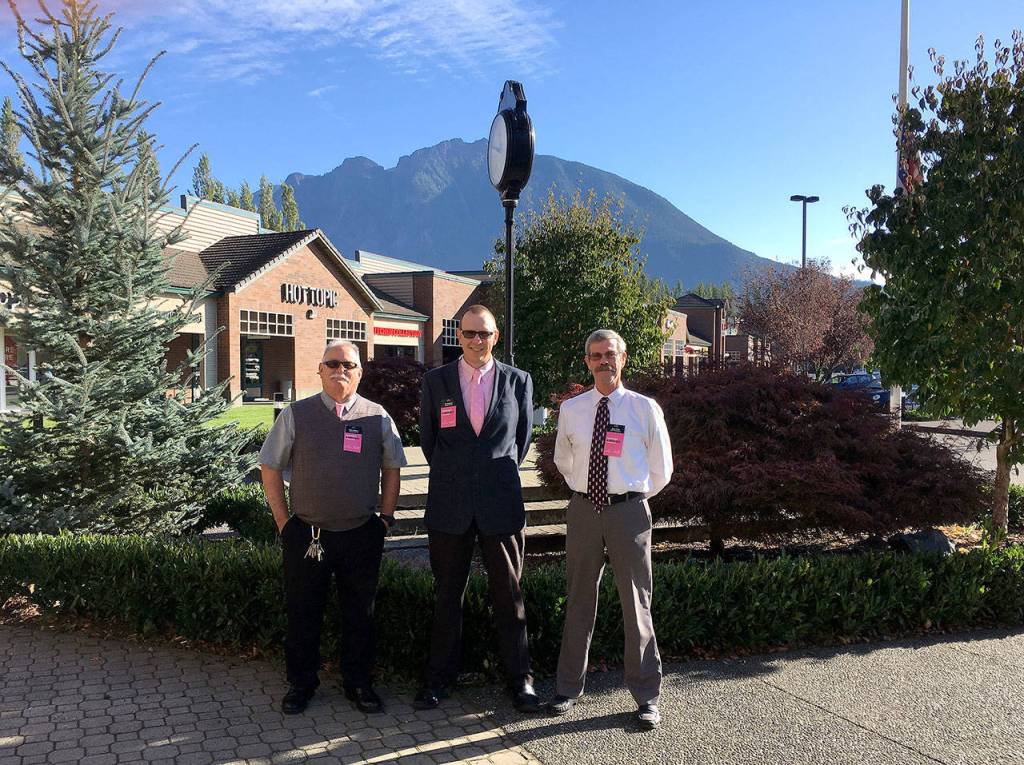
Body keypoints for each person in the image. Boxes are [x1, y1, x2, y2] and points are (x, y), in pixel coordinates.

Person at [259, 339, 407, 715]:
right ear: (320, 370)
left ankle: (358, 683)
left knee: (360, 615)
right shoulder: (296, 414)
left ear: (360, 372)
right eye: (332, 363)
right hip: (308, 536)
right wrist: (283, 523)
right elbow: (269, 467)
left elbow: (393, 467)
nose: (340, 369)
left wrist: (385, 518)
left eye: (349, 364)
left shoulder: (377, 416)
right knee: (303, 614)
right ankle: (301, 684)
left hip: (361, 534)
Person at [414, 304, 539, 713]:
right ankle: (438, 679)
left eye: (484, 334)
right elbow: (430, 443)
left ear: (495, 336)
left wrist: (488, 478)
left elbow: (519, 444)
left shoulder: (519, 381)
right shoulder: (436, 382)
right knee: (448, 595)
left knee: (509, 595)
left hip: (500, 505)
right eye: (469, 334)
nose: (476, 341)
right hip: (449, 506)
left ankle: (520, 681)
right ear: (458, 336)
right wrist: (459, 476)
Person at [547, 329, 673, 730]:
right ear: (587, 361)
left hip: (629, 514)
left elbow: (661, 469)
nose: (604, 361)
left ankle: (647, 697)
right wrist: (591, 494)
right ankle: (567, 688)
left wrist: (630, 497)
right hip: (584, 511)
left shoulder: (644, 409)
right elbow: (564, 461)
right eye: (596, 355)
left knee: (637, 606)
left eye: (611, 354)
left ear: (624, 357)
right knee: (579, 599)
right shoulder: (573, 409)